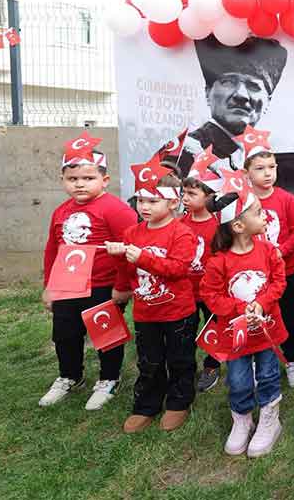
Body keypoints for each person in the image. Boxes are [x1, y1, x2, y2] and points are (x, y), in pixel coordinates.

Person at [40, 132, 137, 409]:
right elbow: (52, 249)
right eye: (73, 179)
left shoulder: (115, 209)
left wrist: (123, 284)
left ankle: (109, 379)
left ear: (104, 180)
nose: (80, 184)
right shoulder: (60, 211)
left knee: (105, 333)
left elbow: (128, 247)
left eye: (88, 178)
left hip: (103, 285)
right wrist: (50, 286)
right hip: (68, 285)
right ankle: (70, 375)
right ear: (63, 181)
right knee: (65, 333)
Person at [109, 161, 196, 434]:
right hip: (146, 311)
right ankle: (146, 404)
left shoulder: (182, 232)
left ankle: (178, 401)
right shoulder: (132, 233)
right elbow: (127, 269)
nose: (144, 207)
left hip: (178, 311)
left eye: (152, 201)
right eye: (140, 200)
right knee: (149, 360)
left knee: (179, 358)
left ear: (172, 203)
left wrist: (144, 258)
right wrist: (120, 262)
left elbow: (179, 269)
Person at [200, 187, 288, 458]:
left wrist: (262, 303)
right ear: (238, 225)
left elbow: (279, 282)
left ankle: (269, 419)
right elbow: (210, 296)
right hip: (235, 336)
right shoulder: (218, 261)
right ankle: (242, 418)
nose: (266, 217)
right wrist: (240, 308)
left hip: (267, 331)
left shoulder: (268, 250)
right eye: (259, 213)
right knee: (238, 380)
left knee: (268, 375)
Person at [239, 127, 294, 388]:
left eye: (272, 167)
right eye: (260, 168)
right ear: (247, 173)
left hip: (284, 272)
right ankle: (258, 362)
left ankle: (293, 360)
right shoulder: (243, 202)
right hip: (254, 277)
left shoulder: (286, 199)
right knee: (257, 317)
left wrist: (281, 251)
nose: (268, 173)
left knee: (288, 317)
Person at [176, 36, 289, 176]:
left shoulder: (261, 156)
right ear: (208, 92)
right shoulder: (188, 151)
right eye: (228, 82)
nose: (240, 95)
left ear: (268, 101)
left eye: (253, 86)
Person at [181, 158, 222, 393]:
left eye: (191, 193)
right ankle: (186, 367)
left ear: (208, 196)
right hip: (186, 289)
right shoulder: (179, 222)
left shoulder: (218, 226)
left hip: (210, 291)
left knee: (212, 327)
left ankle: (212, 365)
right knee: (186, 329)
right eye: (184, 193)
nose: (185, 198)